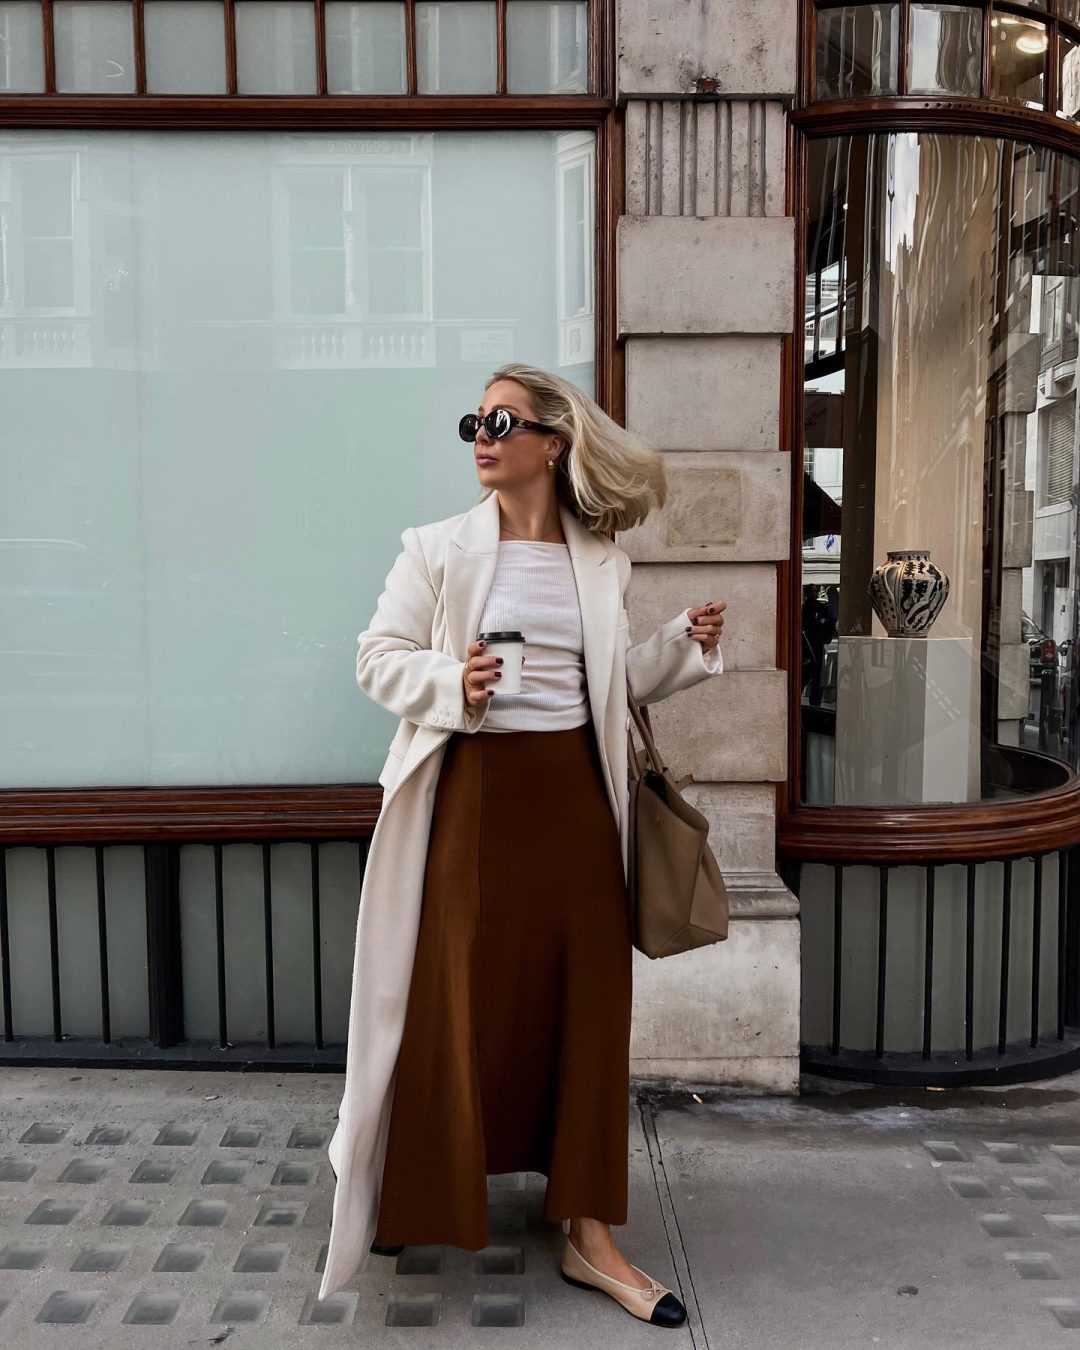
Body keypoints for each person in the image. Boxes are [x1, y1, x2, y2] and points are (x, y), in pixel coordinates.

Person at [319, 363, 725, 1325]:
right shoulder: (436, 549)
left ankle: (589, 1233)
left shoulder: (600, 557)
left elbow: (608, 681)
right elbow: (377, 658)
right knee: (455, 1000)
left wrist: (682, 646)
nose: (482, 435)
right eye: (474, 420)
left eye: (502, 420)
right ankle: (424, 1192)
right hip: (472, 798)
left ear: (554, 440)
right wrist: (448, 686)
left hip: (577, 806)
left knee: (588, 1010)